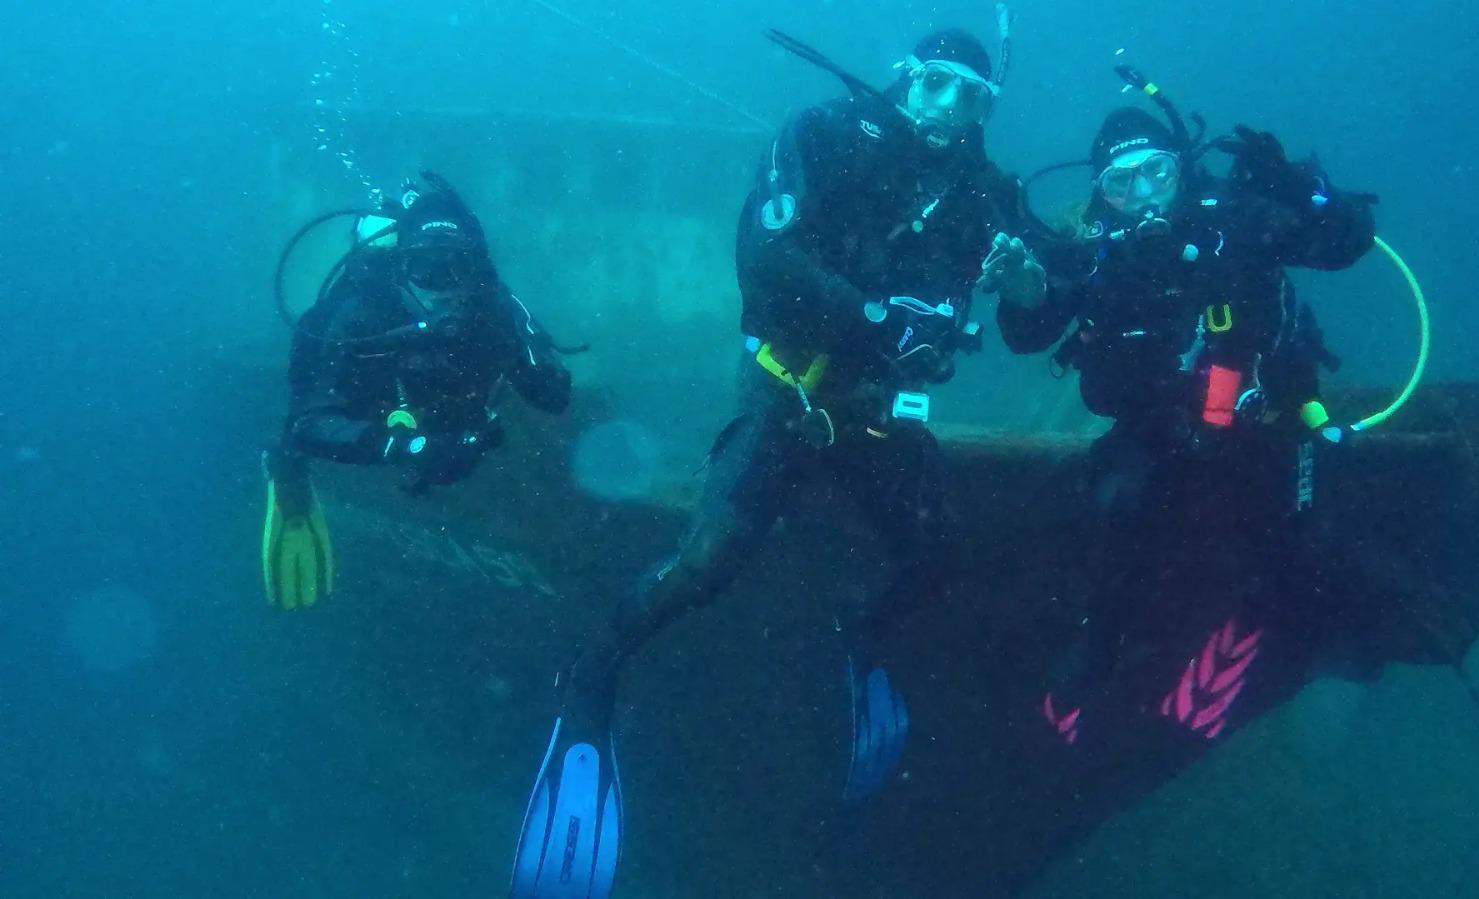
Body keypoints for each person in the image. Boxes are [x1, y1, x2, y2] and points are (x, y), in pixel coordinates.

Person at [508, 25, 1051, 898]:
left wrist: (1029, 283)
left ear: (986, 108)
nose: (952, 107)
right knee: (708, 556)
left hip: (877, 413)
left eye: (973, 96)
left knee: (936, 547)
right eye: (937, 84)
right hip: (785, 391)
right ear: (906, 80)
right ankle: (594, 679)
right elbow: (765, 258)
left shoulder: (988, 193)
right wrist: (877, 320)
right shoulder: (824, 134)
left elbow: (1036, 320)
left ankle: (858, 629)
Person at [992, 88, 1378, 843]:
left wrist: (1306, 189)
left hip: (1268, 425)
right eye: (1120, 182)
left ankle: (1230, 668)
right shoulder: (1095, 249)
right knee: (1117, 513)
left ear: (1182, 170)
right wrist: (1021, 288)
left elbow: (1345, 241)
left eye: (1156, 173)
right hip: (1161, 431)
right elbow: (1029, 332)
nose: (1142, 195)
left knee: (1301, 556)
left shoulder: (1234, 219)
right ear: (1101, 194)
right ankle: (1094, 656)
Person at [261, 171, 573, 610]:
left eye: (457, 266)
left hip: (455, 433)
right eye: (426, 268)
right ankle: (285, 476)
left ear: (476, 269)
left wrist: (527, 352)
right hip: (382, 422)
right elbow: (308, 423)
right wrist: (404, 447)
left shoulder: (492, 307)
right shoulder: (362, 314)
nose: (442, 284)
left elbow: (554, 398)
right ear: (399, 266)